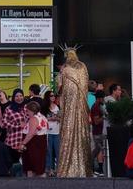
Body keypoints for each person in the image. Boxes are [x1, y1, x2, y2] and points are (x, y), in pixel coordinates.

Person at [56, 46, 92, 177]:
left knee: (68, 130)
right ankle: (84, 168)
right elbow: (85, 85)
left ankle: (67, 168)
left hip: (69, 106)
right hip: (81, 106)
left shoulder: (64, 68)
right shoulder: (83, 66)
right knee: (81, 131)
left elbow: (59, 87)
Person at [18, 101, 48, 177]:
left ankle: (31, 184)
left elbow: (31, 133)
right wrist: (25, 125)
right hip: (40, 143)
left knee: (31, 165)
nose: (27, 113)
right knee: (39, 164)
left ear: (32, 110)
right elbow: (37, 128)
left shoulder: (34, 119)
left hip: (33, 144)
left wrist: (23, 143)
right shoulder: (42, 116)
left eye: (27, 111)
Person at [1, 88, 26, 164]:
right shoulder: (9, 109)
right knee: (13, 164)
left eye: (21, 96)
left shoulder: (26, 107)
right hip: (13, 141)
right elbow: (4, 123)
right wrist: (18, 126)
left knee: (25, 166)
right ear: (13, 98)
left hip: (25, 141)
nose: (19, 98)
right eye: (16, 96)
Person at [41, 91, 60, 177]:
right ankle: (49, 169)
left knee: (57, 151)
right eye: (51, 96)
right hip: (48, 132)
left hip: (57, 132)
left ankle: (59, 169)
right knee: (49, 152)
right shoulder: (44, 107)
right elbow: (42, 119)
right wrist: (51, 118)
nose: (53, 97)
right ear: (47, 97)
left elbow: (60, 117)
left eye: (54, 96)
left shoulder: (57, 106)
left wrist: (58, 118)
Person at [90, 90, 106, 176]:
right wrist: (104, 117)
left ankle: (96, 169)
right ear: (99, 98)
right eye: (103, 98)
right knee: (97, 150)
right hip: (97, 133)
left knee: (98, 150)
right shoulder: (96, 107)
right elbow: (96, 121)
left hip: (99, 132)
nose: (104, 99)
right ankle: (92, 168)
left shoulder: (99, 106)